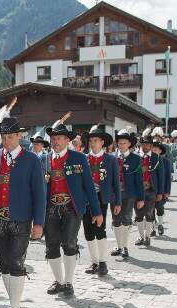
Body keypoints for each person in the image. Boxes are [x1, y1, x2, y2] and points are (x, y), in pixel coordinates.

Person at [0, 109, 46, 308]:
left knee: (17, 263)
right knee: (4, 264)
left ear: (20, 136)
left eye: (11, 136)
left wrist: (39, 223)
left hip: (21, 219)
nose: (7, 140)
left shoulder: (31, 160)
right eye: (3, 136)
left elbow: (40, 193)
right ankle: (14, 304)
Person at [44, 121, 103, 298]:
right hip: (51, 208)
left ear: (67, 140)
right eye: (53, 138)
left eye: (59, 138)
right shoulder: (44, 159)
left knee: (69, 243)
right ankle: (59, 281)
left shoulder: (79, 158)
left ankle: (68, 281)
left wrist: (97, 211)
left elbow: (89, 187)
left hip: (72, 207)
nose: (55, 142)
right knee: (51, 245)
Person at [82, 126, 121, 276]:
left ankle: (103, 262)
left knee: (100, 228)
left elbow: (116, 182)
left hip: (101, 198)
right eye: (90, 140)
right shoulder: (84, 158)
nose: (92, 143)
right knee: (88, 230)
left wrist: (117, 202)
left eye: (96, 140)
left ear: (102, 142)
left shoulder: (111, 159)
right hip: (86, 199)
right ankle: (94, 262)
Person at [111, 129, 144, 258]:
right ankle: (119, 246)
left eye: (124, 143)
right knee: (116, 220)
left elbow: (139, 180)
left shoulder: (136, 159)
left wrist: (141, 198)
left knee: (126, 219)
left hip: (129, 194)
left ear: (129, 144)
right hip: (114, 194)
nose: (121, 145)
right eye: (119, 143)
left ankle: (125, 247)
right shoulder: (112, 157)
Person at [134, 132, 165, 246]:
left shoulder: (157, 158)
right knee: (138, 214)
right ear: (141, 144)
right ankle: (141, 237)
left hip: (151, 190)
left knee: (149, 214)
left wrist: (160, 192)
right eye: (144, 144)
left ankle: (147, 237)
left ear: (152, 145)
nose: (145, 146)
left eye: (148, 144)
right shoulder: (135, 156)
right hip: (137, 190)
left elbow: (161, 177)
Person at [151, 142, 171, 236]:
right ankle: (151, 228)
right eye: (152, 149)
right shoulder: (148, 160)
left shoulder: (165, 161)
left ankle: (160, 224)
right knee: (149, 209)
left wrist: (167, 192)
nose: (153, 151)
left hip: (161, 190)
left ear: (160, 151)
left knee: (159, 207)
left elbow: (167, 178)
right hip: (150, 190)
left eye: (156, 149)